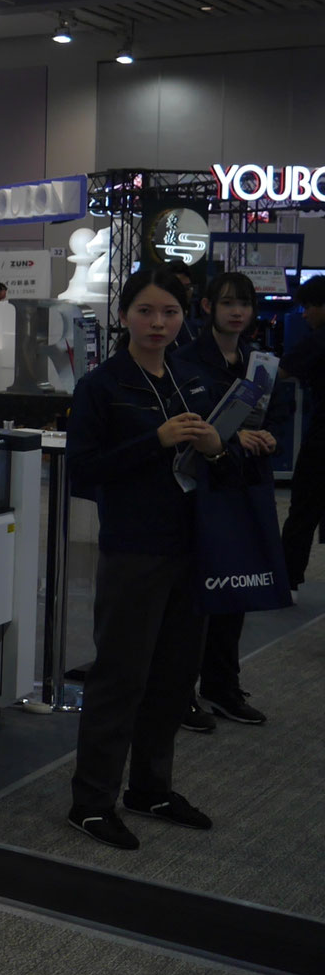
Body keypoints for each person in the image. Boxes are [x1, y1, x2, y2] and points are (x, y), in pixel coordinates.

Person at [64, 268, 234, 851]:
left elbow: (214, 460)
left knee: (173, 678)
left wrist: (219, 447)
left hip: (192, 544)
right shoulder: (102, 385)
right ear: (123, 316)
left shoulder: (191, 379)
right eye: (146, 311)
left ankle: (150, 788)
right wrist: (154, 441)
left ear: (185, 317)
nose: (158, 323)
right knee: (120, 678)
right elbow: (83, 471)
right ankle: (91, 802)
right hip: (134, 549)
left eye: (170, 312)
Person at [177, 271, 277, 728]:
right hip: (199, 489)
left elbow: (274, 413)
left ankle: (221, 686)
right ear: (207, 307)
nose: (238, 312)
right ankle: (180, 693)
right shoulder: (186, 360)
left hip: (243, 485)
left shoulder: (257, 364)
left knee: (234, 590)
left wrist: (267, 438)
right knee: (194, 597)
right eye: (228, 303)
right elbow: (190, 426)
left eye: (245, 304)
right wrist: (234, 440)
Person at [278, 276, 325, 588]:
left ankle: (288, 579)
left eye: (309, 307)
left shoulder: (317, 340)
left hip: (322, 440)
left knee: (304, 508)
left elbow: (280, 372)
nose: (305, 314)